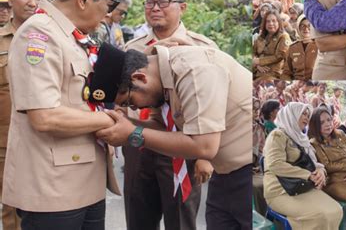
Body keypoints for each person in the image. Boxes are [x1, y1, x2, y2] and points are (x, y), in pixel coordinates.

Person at [2, 0, 122, 230]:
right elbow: (45, 117)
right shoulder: (40, 35)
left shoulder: (72, 36)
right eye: (109, 5)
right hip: (54, 190)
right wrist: (111, 120)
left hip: (84, 180)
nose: (108, 14)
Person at [89, 43, 252, 230]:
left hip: (244, 174)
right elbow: (162, 126)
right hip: (224, 176)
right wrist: (125, 124)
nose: (134, 109)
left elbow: (204, 146)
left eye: (130, 102)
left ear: (139, 78)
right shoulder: (161, 76)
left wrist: (132, 133)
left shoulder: (194, 71)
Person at [120, 0, 217, 230]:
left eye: (163, 2)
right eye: (150, 3)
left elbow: (215, 105)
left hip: (182, 148)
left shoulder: (201, 47)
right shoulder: (133, 48)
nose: (155, 8)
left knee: (180, 221)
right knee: (138, 218)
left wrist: (205, 157)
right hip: (139, 147)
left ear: (182, 7)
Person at [0, 0, 46, 230]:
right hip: (5, 142)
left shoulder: (53, 41)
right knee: (11, 210)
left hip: (44, 141)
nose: (32, 2)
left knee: (43, 210)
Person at [262, 103, 343, 230]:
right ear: (292, 114)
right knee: (319, 215)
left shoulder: (301, 138)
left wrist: (320, 171)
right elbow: (275, 164)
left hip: (301, 187)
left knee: (336, 210)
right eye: (303, 114)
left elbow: (313, 162)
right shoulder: (277, 135)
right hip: (280, 192)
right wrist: (308, 175)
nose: (306, 117)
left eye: (308, 115)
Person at [253, 9, 291, 81]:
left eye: (274, 21)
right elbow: (253, 52)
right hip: (256, 71)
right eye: (268, 21)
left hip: (273, 74)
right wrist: (257, 65)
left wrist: (259, 61)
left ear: (278, 22)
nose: (271, 23)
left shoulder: (284, 37)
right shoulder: (260, 37)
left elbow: (279, 56)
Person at [282, 15, 317, 81]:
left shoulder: (319, 46)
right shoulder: (292, 47)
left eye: (309, 26)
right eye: (302, 26)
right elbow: (286, 72)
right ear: (298, 28)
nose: (306, 29)